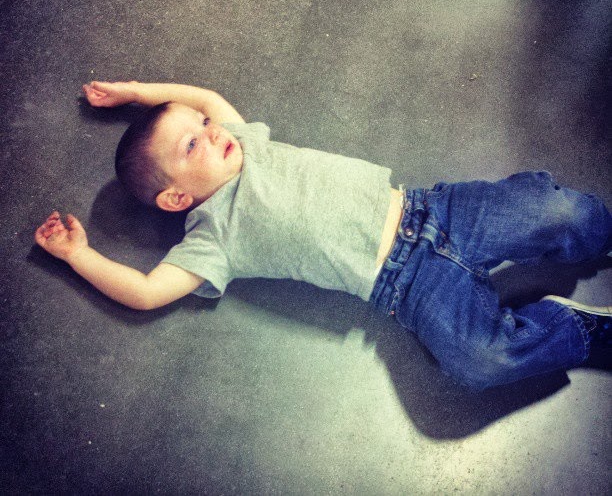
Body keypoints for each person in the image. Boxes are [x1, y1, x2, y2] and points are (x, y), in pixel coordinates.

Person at [35, 81, 611, 390]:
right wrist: (77, 254)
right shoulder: (212, 240)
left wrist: (137, 93)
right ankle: (576, 330)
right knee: (480, 361)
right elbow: (145, 291)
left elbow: (204, 98)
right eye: (192, 144)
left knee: (561, 214)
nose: (211, 132)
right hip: (405, 288)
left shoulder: (244, 143)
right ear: (176, 199)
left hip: (432, 209)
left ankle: (596, 231)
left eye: (205, 126)